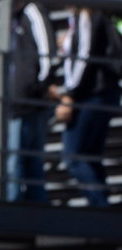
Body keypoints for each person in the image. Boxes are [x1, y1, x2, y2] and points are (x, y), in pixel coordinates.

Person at [56, 6, 119, 207]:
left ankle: (101, 207)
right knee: (91, 156)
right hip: (105, 93)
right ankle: (102, 207)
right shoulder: (93, 16)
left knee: (73, 155)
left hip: (92, 94)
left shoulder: (87, 14)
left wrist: (69, 94)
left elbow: (85, 54)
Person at [6, 0, 58, 202]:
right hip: (18, 101)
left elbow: (48, 52)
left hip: (29, 101)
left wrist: (39, 87)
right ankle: (28, 207)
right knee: (22, 161)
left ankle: (15, 212)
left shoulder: (32, 10)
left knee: (18, 162)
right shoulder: (14, 17)